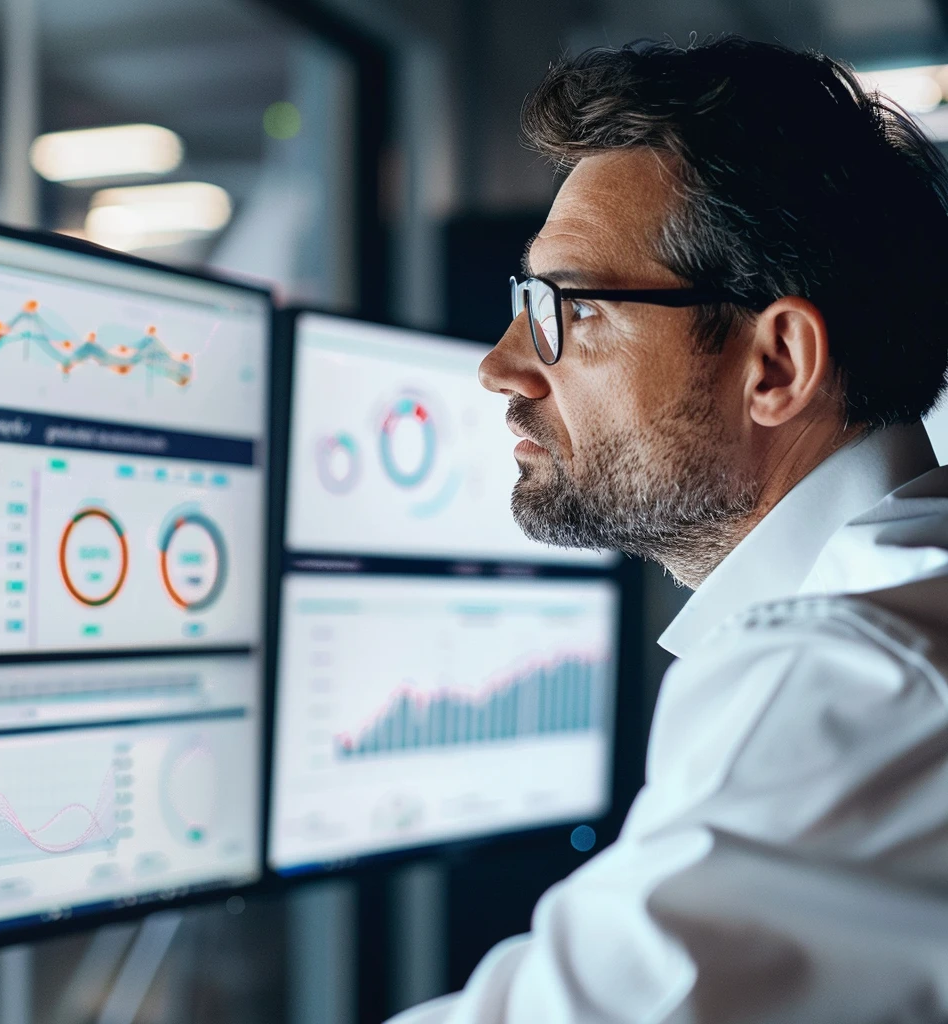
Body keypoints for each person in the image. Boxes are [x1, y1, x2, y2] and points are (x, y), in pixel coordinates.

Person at [390, 37, 948, 1024]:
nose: (503, 366)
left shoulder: (849, 674)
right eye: (524, 303)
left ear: (775, 364)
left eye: (565, 309)